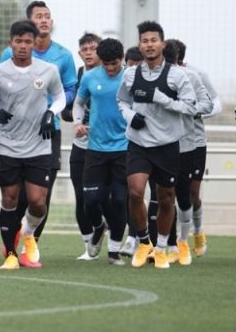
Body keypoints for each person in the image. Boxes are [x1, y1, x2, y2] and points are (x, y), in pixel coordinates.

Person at [0, 20, 65, 270]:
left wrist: (51, 113)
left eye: (28, 41)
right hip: (8, 146)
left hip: (38, 146)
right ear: (11, 43)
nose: (23, 46)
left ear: (34, 44)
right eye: (18, 41)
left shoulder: (48, 70)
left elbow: (60, 97)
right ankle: (10, 254)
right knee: (9, 198)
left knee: (38, 202)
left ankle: (27, 234)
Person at [116, 21, 196, 269]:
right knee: (136, 191)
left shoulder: (177, 75)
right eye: (144, 40)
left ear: (162, 44)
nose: (149, 45)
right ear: (139, 45)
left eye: (153, 40)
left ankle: (161, 247)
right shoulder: (130, 74)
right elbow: (122, 101)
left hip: (167, 144)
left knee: (165, 198)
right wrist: (131, 117)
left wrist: (162, 99)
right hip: (139, 143)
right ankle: (143, 242)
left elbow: (190, 107)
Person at [0, 1, 76, 244]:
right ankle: (12, 237)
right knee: (17, 193)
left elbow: (70, 89)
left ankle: (32, 242)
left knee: (42, 194)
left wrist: (52, 108)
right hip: (17, 132)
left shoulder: (63, 56)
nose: (44, 20)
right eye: (39, 16)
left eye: (47, 16)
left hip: (47, 132)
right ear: (29, 22)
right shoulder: (8, 55)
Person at [73, 38, 129, 265]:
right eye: (105, 63)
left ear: (122, 60)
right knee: (90, 200)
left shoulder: (131, 77)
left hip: (123, 148)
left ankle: (114, 251)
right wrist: (78, 123)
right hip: (95, 148)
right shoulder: (90, 77)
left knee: (118, 199)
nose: (109, 68)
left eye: (114, 63)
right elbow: (78, 103)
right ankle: (98, 228)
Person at [163, 40, 212, 265]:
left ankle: (187, 238)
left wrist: (186, 107)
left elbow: (209, 104)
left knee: (186, 194)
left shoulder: (193, 76)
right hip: (159, 145)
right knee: (163, 196)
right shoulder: (150, 77)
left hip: (188, 145)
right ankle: (167, 244)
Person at [172, 39, 221, 257]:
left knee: (192, 192)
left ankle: (198, 231)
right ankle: (175, 241)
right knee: (167, 193)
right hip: (169, 142)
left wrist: (195, 112)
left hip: (195, 141)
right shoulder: (162, 74)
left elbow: (215, 104)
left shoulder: (196, 75)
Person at [63, 32, 103, 260]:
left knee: (109, 196)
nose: (88, 53)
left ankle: (127, 240)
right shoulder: (79, 75)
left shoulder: (111, 75)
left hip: (106, 146)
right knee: (81, 195)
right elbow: (69, 109)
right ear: (80, 53)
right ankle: (89, 245)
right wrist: (75, 119)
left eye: (93, 48)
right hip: (80, 144)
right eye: (84, 49)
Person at [119, 45, 144, 257]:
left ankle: (138, 238)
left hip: (149, 144)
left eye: (137, 65)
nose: (132, 70)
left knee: (141, 193)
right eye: (130, 65)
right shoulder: (122, 83)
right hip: (123, 144)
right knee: (128, 193)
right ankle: (129, 237)